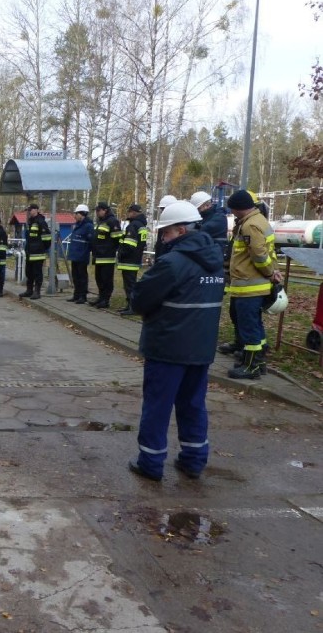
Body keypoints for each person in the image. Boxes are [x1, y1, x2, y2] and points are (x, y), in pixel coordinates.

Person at [128, 200, 225, 482]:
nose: (164, 238)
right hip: (201, 348)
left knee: (157, 407)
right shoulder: (215, 261)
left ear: (181, 230)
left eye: (166, 233)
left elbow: (140, 299)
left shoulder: (172, 263)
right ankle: (194, 460)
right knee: (193, 405)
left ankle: (151, 462)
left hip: (168, 347)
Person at [224, 189, 281, 379]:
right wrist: (273, 272)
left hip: (250, 286)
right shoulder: (260, 221)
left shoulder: (250, 226)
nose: (232, 213)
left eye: (233, 210)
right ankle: (259, 362)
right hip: (255, 285)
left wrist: (270, 272)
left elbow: (259, 256)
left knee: (248, 328)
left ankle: (251, 367)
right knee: (255, 325)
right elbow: (268, 253)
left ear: (239, 208)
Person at [116, 204, 148, 315]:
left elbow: (129, 244)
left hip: (128, 260)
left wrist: (121, 253)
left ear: (134, 212)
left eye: (129, 211)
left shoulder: (133, 226)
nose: (128, 213)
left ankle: (132, 307)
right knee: (131, 284)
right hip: (135, 259)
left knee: (130, 285)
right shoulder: (142, 225)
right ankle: (130, 305)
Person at [90, 202, 121, 308]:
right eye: (96, 211)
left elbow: (117, 239)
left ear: (105, 210)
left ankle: (106, 300)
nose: (97, 213)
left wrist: (109, 249)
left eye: (98, 211)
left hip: (107, 256)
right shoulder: (101, 221)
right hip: (98, 256)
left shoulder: (112, 221)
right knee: (99, 279)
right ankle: (101, 298)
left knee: (106, 279)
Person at [19, 204, 51, 300]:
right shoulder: (30, 222)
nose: (29, 212)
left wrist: (40, 248)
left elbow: (47, 238)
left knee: (37, 273)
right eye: (28, 210)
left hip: (38, 253)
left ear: (36, 210)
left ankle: (37, 292)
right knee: (29, 272)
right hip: (30, 252)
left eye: (30, 210)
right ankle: (29, 290)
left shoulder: (41, 222)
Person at [66, 204, 93, 304]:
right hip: (75, 256)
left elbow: (91, 241)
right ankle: (76, 295)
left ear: (82, 214)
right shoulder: (77, 225)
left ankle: (82, 296)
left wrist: (85, 251)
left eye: (76, 214)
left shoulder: (88, 226)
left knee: (82, 277)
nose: (75, 216)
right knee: (76, 277)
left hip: (82, 256)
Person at [190, 191, 228, 257]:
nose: (197, 211)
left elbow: (201, 231)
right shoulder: (207, 216)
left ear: (207, 205)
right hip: (208, 252)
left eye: (198, 209)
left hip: (215, 255)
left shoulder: (219, 218)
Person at [152, 195, 177, 261]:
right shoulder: (163, 223)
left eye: (164, 209)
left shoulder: (176, 224)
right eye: (162, 209)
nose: (162, 211)